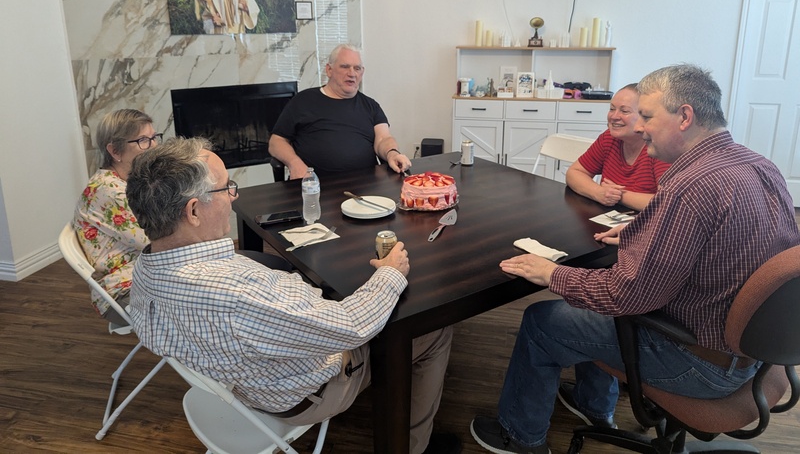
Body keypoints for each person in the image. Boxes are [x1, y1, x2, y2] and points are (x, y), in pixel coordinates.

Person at [470, 64, 800, 454]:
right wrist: (642, 232)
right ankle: (593, 406)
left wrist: (553, 273)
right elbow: (729, 240)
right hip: (755, 355)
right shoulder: (757, 164)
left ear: (685, 116)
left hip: (702, 362)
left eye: (646, 115)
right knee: (589, 304)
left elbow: (625, 296)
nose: (638, 127)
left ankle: (521, 438)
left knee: (543, 321)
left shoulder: (690, 186)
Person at [126, 137, 458, 454]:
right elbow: (352, 325)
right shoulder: (238, 294)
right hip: (300, 395)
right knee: (433, 328)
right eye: (226, 188)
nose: (233, 196)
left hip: (237, 375)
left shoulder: (145, 267)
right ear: (193, 212)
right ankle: (415, 447)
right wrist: (391, 271)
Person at [269, 44, 413, 178]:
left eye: (357, 68)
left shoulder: (370, 105)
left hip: (365, 187)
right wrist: (294, 163)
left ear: (362, 73)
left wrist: (392, 153)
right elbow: (276, 142)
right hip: (315, 186)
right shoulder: (303, 100)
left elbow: (383, 138)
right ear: (329, 70)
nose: (352, 73)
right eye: (345, 67)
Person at [73, 109, 161, 325]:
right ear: (115, 151)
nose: (154, 146)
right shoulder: (109, 190)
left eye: (153, 138)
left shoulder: (128, 181)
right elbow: (156, 241)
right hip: (122, 291)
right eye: (143, 140)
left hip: (145, 273)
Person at [566, 83, 670, 211]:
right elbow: (574, 173)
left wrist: (617, 196)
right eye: (612, 109)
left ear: (645, 116)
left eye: (624, 111)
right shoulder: (609, 138)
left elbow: (666, 202)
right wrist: (598, 192)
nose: (614, 117)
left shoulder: (659, 148)